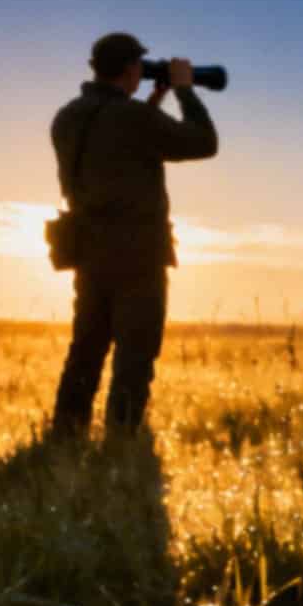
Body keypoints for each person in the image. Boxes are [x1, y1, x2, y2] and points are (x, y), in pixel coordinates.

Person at [49, 31, 217, 438]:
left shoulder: (68, 116)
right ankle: (121, 446)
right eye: (140, 67)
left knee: (86, 352)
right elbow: (202, 142)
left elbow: (114, 144)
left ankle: (65, 439)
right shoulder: (133, 119)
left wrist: (150, 104)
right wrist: (183, 91)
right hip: (137, 255)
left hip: (88, 251)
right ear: (129, 69)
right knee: (135, 356)